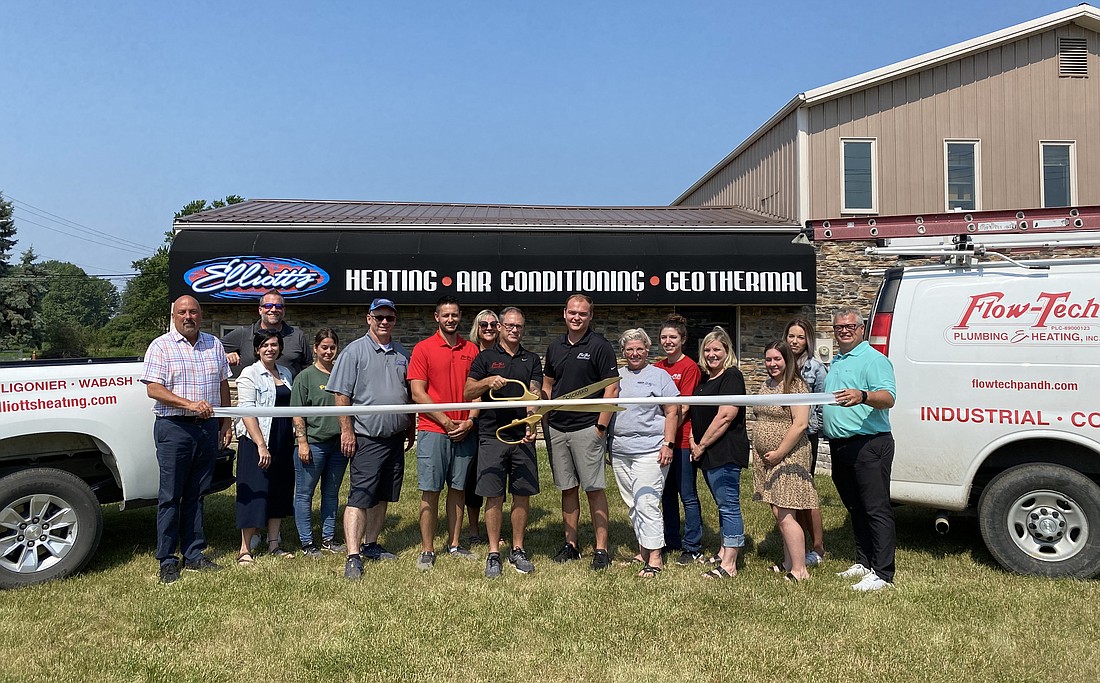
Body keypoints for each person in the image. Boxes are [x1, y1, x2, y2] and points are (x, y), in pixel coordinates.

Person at [141, 295, 232, 584]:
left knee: (197, 493)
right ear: (174, 316)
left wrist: (226, 420)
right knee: (170, 496)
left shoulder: (214, 344)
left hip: (205, 429)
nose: (188, 316)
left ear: (200, 315)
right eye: (182, 312)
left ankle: (194, 554)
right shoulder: (161, 346)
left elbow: (222, 384)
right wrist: (189, 404)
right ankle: (167, 559)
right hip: (174, 429)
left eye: (193, 311)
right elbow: (153, 389)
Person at [327, 298, 415, 580]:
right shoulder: (354, 352)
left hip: (394, 438)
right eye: (379, 317)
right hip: (366, 437)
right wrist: (346, 430)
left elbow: (407, 395)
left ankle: (371, 544)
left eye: (390, 318)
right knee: (360, 496)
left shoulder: (402, 353)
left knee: (383, 495)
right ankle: (353, 555)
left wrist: (410, 426)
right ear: (369, 319)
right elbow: (341, 396)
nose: (385, 322)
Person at [464, 306, 544, 578]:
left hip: (521, 435)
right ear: (499, 327)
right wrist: (487, 381)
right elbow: (467, 391)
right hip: (491, 435)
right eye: (509, 325)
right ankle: (493, 552)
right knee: (494, 494)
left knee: (522, 493)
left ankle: (518, 549)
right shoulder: (485, 357)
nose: (514, 330)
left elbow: (534, 395)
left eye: (518, 326)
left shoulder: (531, 359)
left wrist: (531, 423)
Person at [541, 294, 619, 570]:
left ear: (590, 316)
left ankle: (601, 549)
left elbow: (612, 388)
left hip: (588, 429)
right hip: (557, 429)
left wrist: (601, 425)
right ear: (564, 313)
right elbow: (548, 383)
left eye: (582, 314)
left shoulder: (599, 346)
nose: (576, 317)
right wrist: (544, 416)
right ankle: (570, 545)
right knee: (567, 488)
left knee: (594, 489)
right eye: (572, 312)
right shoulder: (555, 346)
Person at [823, 307, 897, 592]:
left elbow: (888, 398)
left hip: (869, 444)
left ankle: (883, 572)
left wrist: (863, 396)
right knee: (855, 507)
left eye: (850, 326)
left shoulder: (874, 360)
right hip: (841, 446)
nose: (844, 331)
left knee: (875, 508)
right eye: (839, 327)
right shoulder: (838, 360)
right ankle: (864, 562)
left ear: (861, 329)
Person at [408, 296, 480, 571]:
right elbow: (418, 392)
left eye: (455, 315)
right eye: (445, 315)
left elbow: (476, 392)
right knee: (430, 490)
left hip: (465, 430)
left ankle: (454, 543)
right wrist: (446, 422)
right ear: (436, 317)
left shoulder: (471, 350)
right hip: (433, 430)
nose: (451, 319)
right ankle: (427, 549)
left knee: (458, 489)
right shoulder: (423, 349)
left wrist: (470, 421)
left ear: (460, 317)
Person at [609, 329, 679, 578]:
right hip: (620, 450)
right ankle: (642, 550)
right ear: (623, 352)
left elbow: (672, 411)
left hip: (650, 450)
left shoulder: (659, 376)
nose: (634, 353)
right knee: (632, 503)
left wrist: (668, 444)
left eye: (639, 349)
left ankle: (656, 558)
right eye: (629, 349)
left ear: (647, 350)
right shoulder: (616, 376)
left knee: (647, 501)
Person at [752, 340, 818, 582]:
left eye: (777, 359)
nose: (772, 364)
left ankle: (800, 571)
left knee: (786, 514)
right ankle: (788, 562)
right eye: (768, 359)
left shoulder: (797, 386)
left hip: (789, 457)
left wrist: (779, 452)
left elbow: (800, 424)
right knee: (778, 510)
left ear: (787, 360)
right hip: (768, 459)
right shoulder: (767, 385)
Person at [689, 326, 749, 580]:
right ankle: (724, 550)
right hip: (708, 452)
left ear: (727, 351)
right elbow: (696, 413)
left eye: (717, 349)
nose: (712, 354)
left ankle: (730, 564)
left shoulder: (732, 376)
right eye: (708, 350)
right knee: (721, 504)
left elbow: (726, 416)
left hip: (724, 451)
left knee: (729, 506)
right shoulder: (705, 379)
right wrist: (694, 440)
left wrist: (701, 445)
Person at [234, 331, 296, 563]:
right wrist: (261, 445)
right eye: (265, 345)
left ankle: (273, 544)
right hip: (256, 442)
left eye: (274, 345)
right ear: (257, 349)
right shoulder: (250, 374)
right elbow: (247, 410)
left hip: (282, 440)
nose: (270, 349)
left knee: (279, 491)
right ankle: (245, 549)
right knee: (255, 492)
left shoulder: (287, 373)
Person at [290, 329, 349, 557]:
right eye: (324, 347)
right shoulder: (304, 377)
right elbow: (297, 414)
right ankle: (307, 542)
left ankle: (328, 539)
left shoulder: (340, 375)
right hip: (313, 444)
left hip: (337, 445)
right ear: (315, 349)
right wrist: (302, 442)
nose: (328, 351)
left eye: (332, 347)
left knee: (331, 493)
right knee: (305, 494)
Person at [654, 314, 706, 565]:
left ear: (683, 339)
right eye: (664, 337)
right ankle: (671, 539)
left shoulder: (689, 368)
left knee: (687, 493)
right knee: (666, 494)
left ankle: (693, 545)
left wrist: (670, 435)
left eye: (672, 337)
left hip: (683, 441)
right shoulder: (657, 367)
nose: (668, 341)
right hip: (662, 441)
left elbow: (683, 407)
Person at [785, 318, 829, 566]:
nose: (795, 341)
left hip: (805, 435)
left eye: (800, 337)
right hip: (785, 435)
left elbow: (822, 404)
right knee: (790, 494)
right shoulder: (780, 363)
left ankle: (818, 548)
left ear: (808, 340)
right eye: (791, 336)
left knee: (806, 493)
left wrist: (812, 428)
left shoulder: (815, 368)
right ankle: (797, 543)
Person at [463, 309, 500, 546]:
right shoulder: (468, 352)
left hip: (497, 424)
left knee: (495, 476)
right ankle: (474, 529)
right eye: (483, 324)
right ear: (477, 327)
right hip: (473, 422)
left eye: (493, 324)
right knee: (472, 476)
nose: (488, 328)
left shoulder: (506, 353)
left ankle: (495, 528)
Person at [221, 289, 312, 378]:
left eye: (278, 306)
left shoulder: (298, 336)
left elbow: (307, 367)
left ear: (284, 310)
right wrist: (226, 355)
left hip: (288, 391)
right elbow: (212, 351)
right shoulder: (243, 334)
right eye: (268, 306)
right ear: (260, 310)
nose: (273, 309)